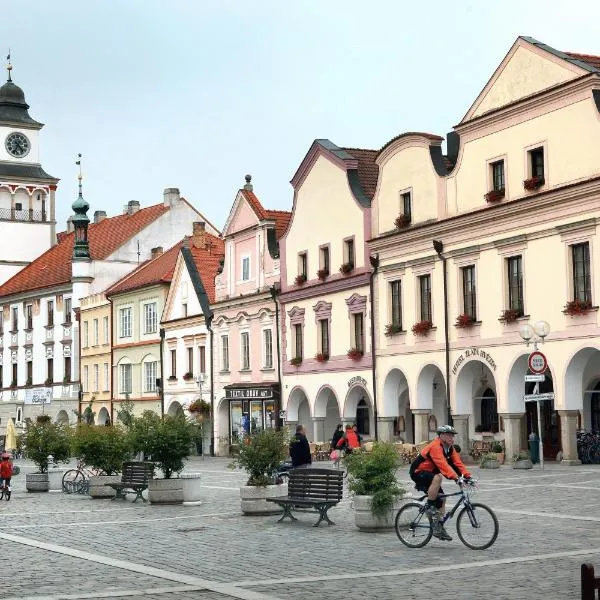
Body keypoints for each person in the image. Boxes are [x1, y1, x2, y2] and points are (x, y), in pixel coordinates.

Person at [409, 425, 472, 541]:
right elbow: (443, 465)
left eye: (452, 435)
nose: (451, 437)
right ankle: (430, 507)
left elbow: (457, 464)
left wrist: (467, 476)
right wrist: (456, 478)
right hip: (418, 472)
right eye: (449, 435)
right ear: (441, 435)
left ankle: (438, 526)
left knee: (442, 498)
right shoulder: (435, 446)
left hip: (430, 475)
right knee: (438, 477)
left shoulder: (449, 448)